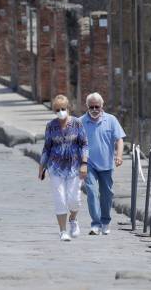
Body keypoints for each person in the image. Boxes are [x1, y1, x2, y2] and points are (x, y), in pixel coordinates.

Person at [39, 94, 89, 241]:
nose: (61, 111)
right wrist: (41, 166)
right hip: (55, 167)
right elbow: (47, 147)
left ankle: (73, 219)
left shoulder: (77, 124)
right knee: (59, 199)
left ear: (68, 108)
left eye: (63, 108)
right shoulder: (51, 125)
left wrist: (84, 164)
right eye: (57, 109)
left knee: (74, 199)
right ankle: (63, 231)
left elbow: (84, 144)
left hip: (74, 167)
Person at [80, 92, 126, 236]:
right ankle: (96, 224)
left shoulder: (111, 120)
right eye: (91, 106)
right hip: (88, 164)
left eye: (97, 107)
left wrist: (119, 155)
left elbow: (119, 139)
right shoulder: (80, 122)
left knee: (106, 195)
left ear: (102, 106)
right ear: (87, 106)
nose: (94, 109)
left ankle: (105, 221)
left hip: (106, 164)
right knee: (92, 193)